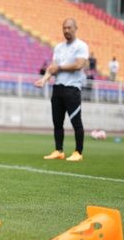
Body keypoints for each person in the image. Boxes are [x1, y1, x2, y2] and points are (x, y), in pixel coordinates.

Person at [35, 18, 88, 162]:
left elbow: (78, 65)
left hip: (72, 89)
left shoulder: (81, 46)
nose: (66, 30)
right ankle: (59, 150)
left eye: (69, 27)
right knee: (57, 122)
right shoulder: (58, 47)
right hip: (57, 88)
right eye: (64, 28)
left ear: (76, 28)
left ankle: (78, 152)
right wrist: (44, 79)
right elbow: (53, 66)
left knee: (76, 122)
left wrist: (59, 68)